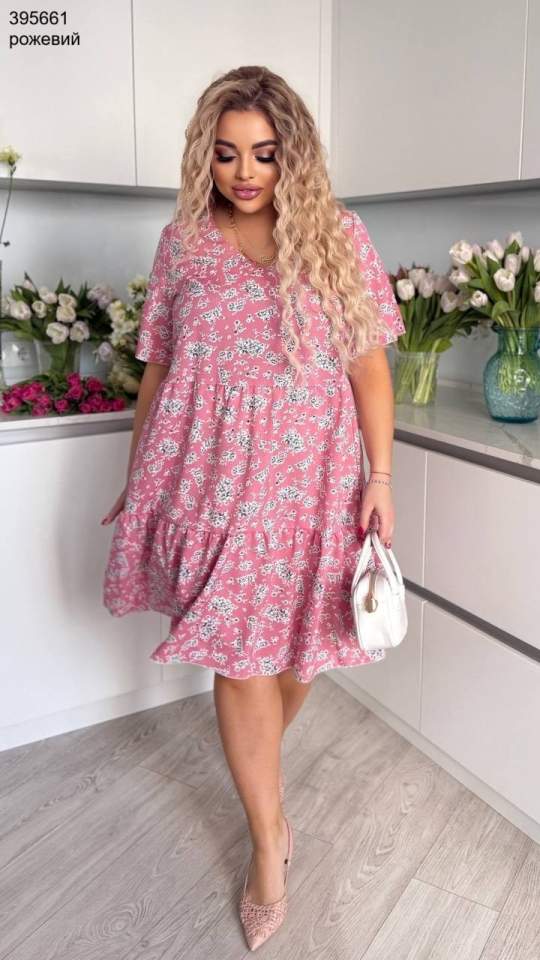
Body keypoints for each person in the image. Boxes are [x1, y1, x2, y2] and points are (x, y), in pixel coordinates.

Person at [101, 65, 405, 950]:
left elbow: (369, 369)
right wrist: (138, 469)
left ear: (291, 155)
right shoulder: (183, 244)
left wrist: (380, 478)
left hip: (315, 486)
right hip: (209, 482)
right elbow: (160, 368)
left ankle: (259, 777)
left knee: (299, 653)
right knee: (239, 662)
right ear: (206, 154)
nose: (245, 173)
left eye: (264, 154)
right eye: (228, 153)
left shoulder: (339, 236)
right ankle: (269, 843)